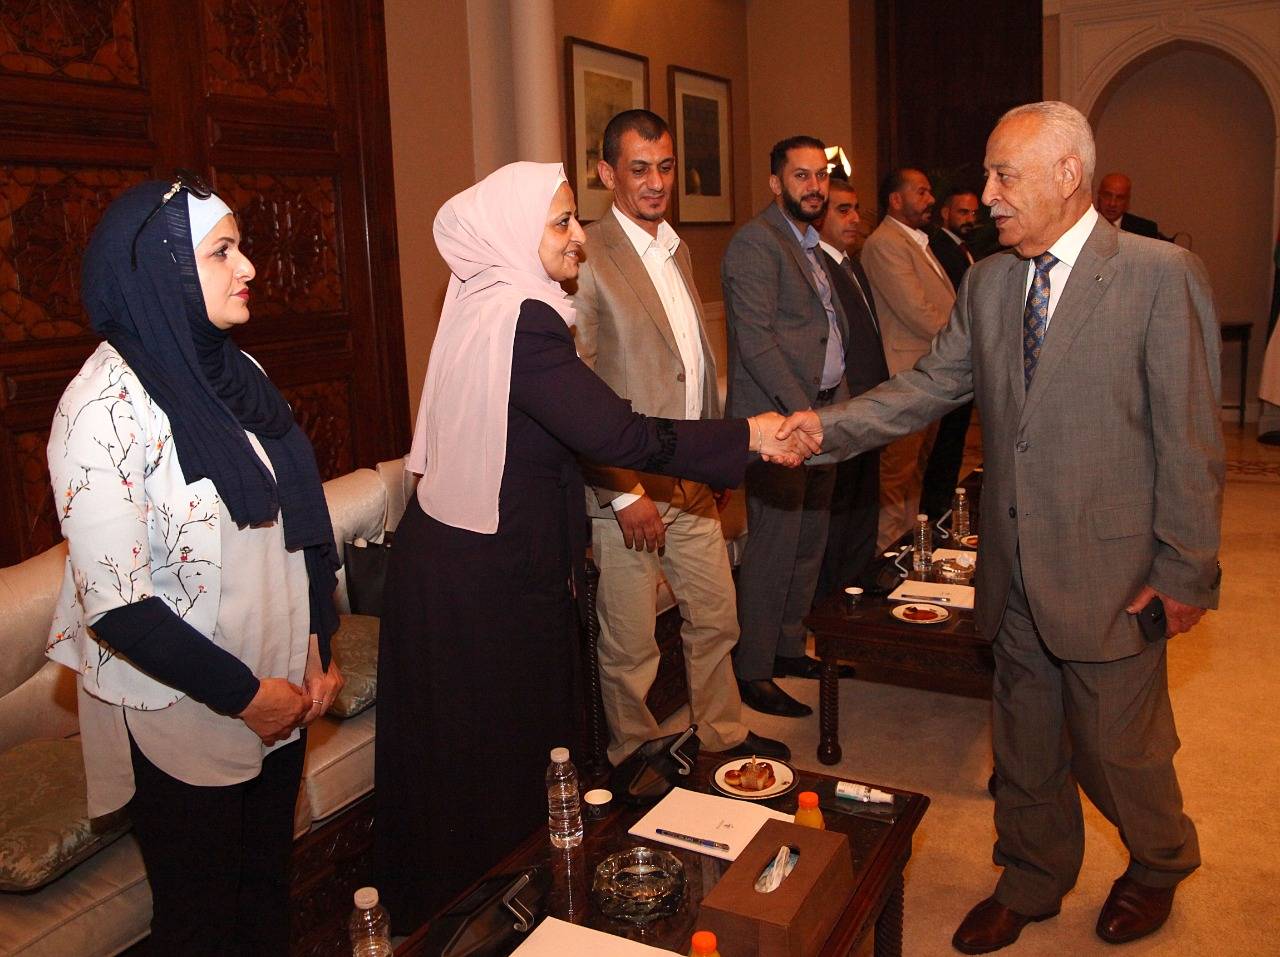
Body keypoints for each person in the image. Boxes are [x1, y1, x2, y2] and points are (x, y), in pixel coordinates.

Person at [779, 101, 1223, 952]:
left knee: (1119, 751)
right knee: (1023, 744)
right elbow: (927, 387)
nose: (985, 195)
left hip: (1113, 572)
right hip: (1011, 565)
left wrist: (1184, 571)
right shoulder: (988, 282)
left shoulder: (1159, 275)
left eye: (1003, 175)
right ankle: (1031, 874)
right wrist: (821, 427)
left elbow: (1192, 439)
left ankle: (1160, 860)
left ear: (1068, 174)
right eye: (987, 176)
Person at [374, 161, 813, 931]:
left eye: (576, 217)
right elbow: (617, 434)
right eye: (561, 221)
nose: (578, 235)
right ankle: (494, 914)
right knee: (493, 764)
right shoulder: (522, 318)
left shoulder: (491, 302)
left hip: (470, 568)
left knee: (481, 761)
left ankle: (499, 907)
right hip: (483, 583)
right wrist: (748, 435)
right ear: (515, 233)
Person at [46, 174, 345, 955]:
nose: (249, 267)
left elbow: (301, 522)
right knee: (202, 923)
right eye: (223, 252)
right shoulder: (100, 409)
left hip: (277, 679)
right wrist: (246, 696)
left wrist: (319, 643)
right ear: (163, 266)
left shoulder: (239, 372)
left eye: (240, 247)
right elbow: (118, 605)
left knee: (267, 894)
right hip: (184, 705)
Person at [570, 110, 788, 765]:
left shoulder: (677, 246)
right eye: (639, 168)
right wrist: (621, 492)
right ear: (607, 173)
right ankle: (634, 756)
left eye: (665, 167)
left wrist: (716, 464)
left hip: (691, 478)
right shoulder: (588, 256)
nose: (657, 182)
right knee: (631, 644)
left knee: (717, 616)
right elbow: (582, 390)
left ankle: (722, 734)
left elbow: (691, 364)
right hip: (631, 487)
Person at [721, 135, 856, 720]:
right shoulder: (756, 242)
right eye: (801, 176)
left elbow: (825, 331)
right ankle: (753, 670)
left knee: (808, 542)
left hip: (821, 415)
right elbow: (756, 342)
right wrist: (805, 416)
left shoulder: (810, 243)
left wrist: (834, 413)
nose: (815, 186)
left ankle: (787, 648)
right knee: (774, 547)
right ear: (776, 183)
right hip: (780, 424)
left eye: (820, 175)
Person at [860, 167, 956, 548]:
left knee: (915, 472)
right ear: (896, 200)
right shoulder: (885, 243)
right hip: (906, 375)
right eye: (921, 192)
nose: (930, 199)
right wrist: (962, 340)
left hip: (929, 373)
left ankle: (908, 549)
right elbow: (915, 310)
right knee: (896, 476)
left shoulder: (916, 241)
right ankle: (885, 553)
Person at [813, 175, 889, 601]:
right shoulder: (817, 268)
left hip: (871, 402)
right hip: (844, 406)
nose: (855, 218)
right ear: (819, 217)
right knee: (840, 510)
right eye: (843, 210)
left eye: (856, 209)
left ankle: (857, 587)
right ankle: (833, 601)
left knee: (864, 505)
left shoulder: (851, 264)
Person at [920, 188, 981, 522]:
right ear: (945, 213)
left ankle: (943, 507)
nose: (970, 219)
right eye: (962, 212)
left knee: (954, 442)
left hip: (965, 358)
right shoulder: (938, 248)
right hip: (946, 356)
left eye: (973, 213)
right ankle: (935, 510)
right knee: (941, 447)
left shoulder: (966, 249)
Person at [1096, 172, 1162, 239]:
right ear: (1099, 195)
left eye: (1120, 198)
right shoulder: (1088, 223)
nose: (1112, 204)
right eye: (1107, 195)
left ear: (1127, 201)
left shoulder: (1145, 229)